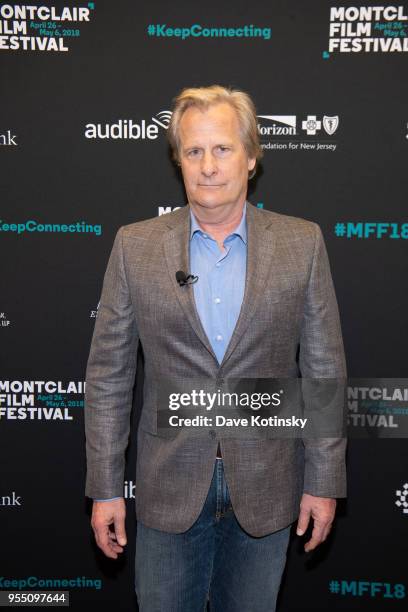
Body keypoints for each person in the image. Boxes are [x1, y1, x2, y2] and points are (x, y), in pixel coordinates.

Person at [84, 85, 347, 611]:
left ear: (251, 158)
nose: (208, 165)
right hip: (168, 488)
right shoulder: (134, 246)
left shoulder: (303, 243)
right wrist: (106, 488)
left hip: (268, 488)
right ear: (178, 160)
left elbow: (323, 370)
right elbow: (109, 377)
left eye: (223, 149)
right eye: (194, 151)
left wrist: (324, 481)